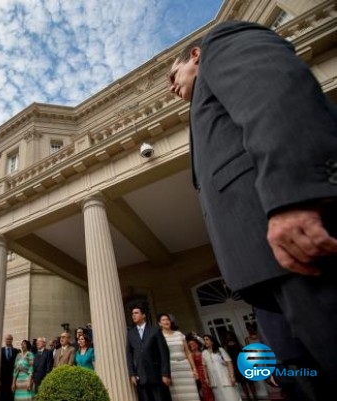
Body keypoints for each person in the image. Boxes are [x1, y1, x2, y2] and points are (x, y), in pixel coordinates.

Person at [168, 20, 337, 394]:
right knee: (307, 380)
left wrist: (293, 198)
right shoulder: (200, 105)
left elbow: (275, 93)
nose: (172, 86)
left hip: (295, 249)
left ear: (195, 55)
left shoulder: (219, 44)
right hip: (264, 275)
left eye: (173, 73)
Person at [126, 306, 171, 401]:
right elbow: (129, 355)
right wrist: (132, 374)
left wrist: (165, 373)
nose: (133, 315)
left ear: (143, 315)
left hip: (156, 375)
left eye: (136, 313)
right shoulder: (130, 333)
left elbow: (164, 352)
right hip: (140, 376)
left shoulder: (155, 330)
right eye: (132, 313)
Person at [158, 313, 200, 401]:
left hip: (185, 367)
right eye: (163, 320)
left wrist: (194, 369)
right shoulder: (159, 337)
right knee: (178, 397)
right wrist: (164, 374)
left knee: (192, 394)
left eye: (167, 319)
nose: (166, 321)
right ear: (159, 323)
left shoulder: (179, 334)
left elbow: (188, 352)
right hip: (172, 369)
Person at [201, 335, 241, 401]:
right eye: (204, 340)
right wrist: (206, 378)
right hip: (214, 380)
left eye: (207, 339)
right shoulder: (204, 353)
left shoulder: (220, 350)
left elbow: (229, 362)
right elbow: (204, 366)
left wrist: (232, 376)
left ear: (212, 341)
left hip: (225, 378)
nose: (205, 341)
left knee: (231, 396)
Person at [223, 332, 257, 401]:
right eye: (227, 336)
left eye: (229, 335)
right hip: (235, 366)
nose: (228, 337)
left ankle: (255, 397)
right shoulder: (226, 347)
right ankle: (248, 398)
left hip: (244, 364)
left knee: (250, 381)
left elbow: (246, 354)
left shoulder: (238, 344)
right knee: (242, 383)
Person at [187, 337, 214, 401]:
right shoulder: (191, 355)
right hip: (200, 374)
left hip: (208, 371)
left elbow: (204, 343)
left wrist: (197, 336)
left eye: (194, 343)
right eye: (191, 344)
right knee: (205, 390)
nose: (193, 345)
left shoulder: (203, 351)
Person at [0, 334, 19, 401]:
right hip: (2, 378)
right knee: (1, 396)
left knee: (11, 396)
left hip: (12, 378)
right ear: (5, 340)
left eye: (10, 339)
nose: (9, 340)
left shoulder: (16, 351)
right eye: (7, 339)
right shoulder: (0, 350)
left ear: (12, 340)